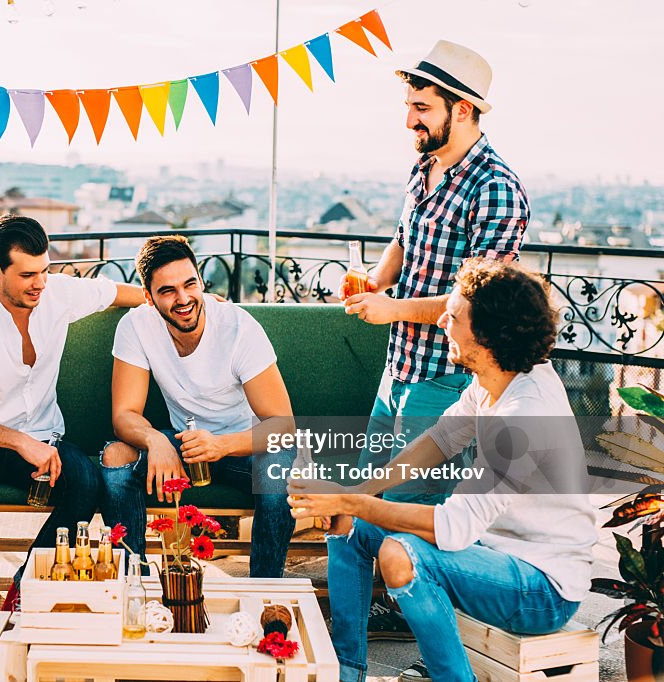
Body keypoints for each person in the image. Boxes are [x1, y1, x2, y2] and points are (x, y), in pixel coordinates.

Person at [290, 259, 597, 682]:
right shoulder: (495, 377)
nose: (442, 322)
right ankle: (347, 671)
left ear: (489, 335)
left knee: (402, 555)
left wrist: (352, 498)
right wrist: (355, 492)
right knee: (350, 526)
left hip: (542, 587)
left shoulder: (524, 414)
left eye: (453, 316)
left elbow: (453, 527)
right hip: (492, 554)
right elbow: (438, 441)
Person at [338, 39, 530, 647]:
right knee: (347, 511)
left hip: (444, 379)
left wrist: (392, 307)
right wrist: (376, 279)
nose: (409, 119)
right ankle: (346, 661)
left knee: (403, 531)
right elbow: (403, 239)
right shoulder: (425, 165)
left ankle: (430, 653)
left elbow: (472, 306)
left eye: (421, 107)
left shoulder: (496, 188)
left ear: (465, 110)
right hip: (396, 371)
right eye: (409, 105)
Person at [0, 214, 146, 640]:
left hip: (45, 443)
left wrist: (176, 299)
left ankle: (29, 583)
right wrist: (16, 440)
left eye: (44, 271)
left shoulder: (56, 294)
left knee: (88, 480)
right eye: (27, 275)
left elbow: (119, 291)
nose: (39, 283)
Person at [100, 235, 296, 578]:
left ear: (201, 281)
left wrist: (221, 445)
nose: (184, 298)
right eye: (168, 291)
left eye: (190, 284)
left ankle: (264, 591)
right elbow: (124, 415)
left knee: (279, 475)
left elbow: (282, 426)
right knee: (116, 457)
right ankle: (135, 585)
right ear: (148, 297)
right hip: (185, 447)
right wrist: (156, 441)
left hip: (244, 448)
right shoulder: (135, 325)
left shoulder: (238, 328)